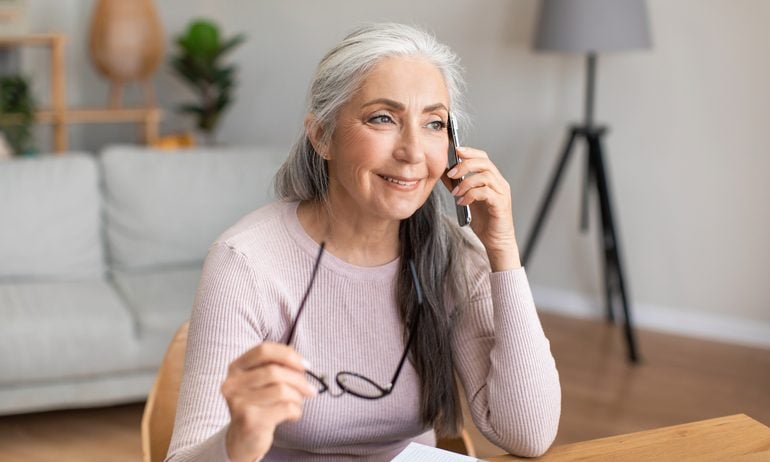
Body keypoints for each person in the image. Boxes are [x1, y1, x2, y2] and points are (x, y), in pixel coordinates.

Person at [166, 22, 561, 462]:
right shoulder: (246, 262)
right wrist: (237, 440)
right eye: (382, 118)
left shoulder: (454, 255)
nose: (412, 151)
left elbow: (529, 434)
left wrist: (502, 251)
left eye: (434, 123)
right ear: (321, 136)